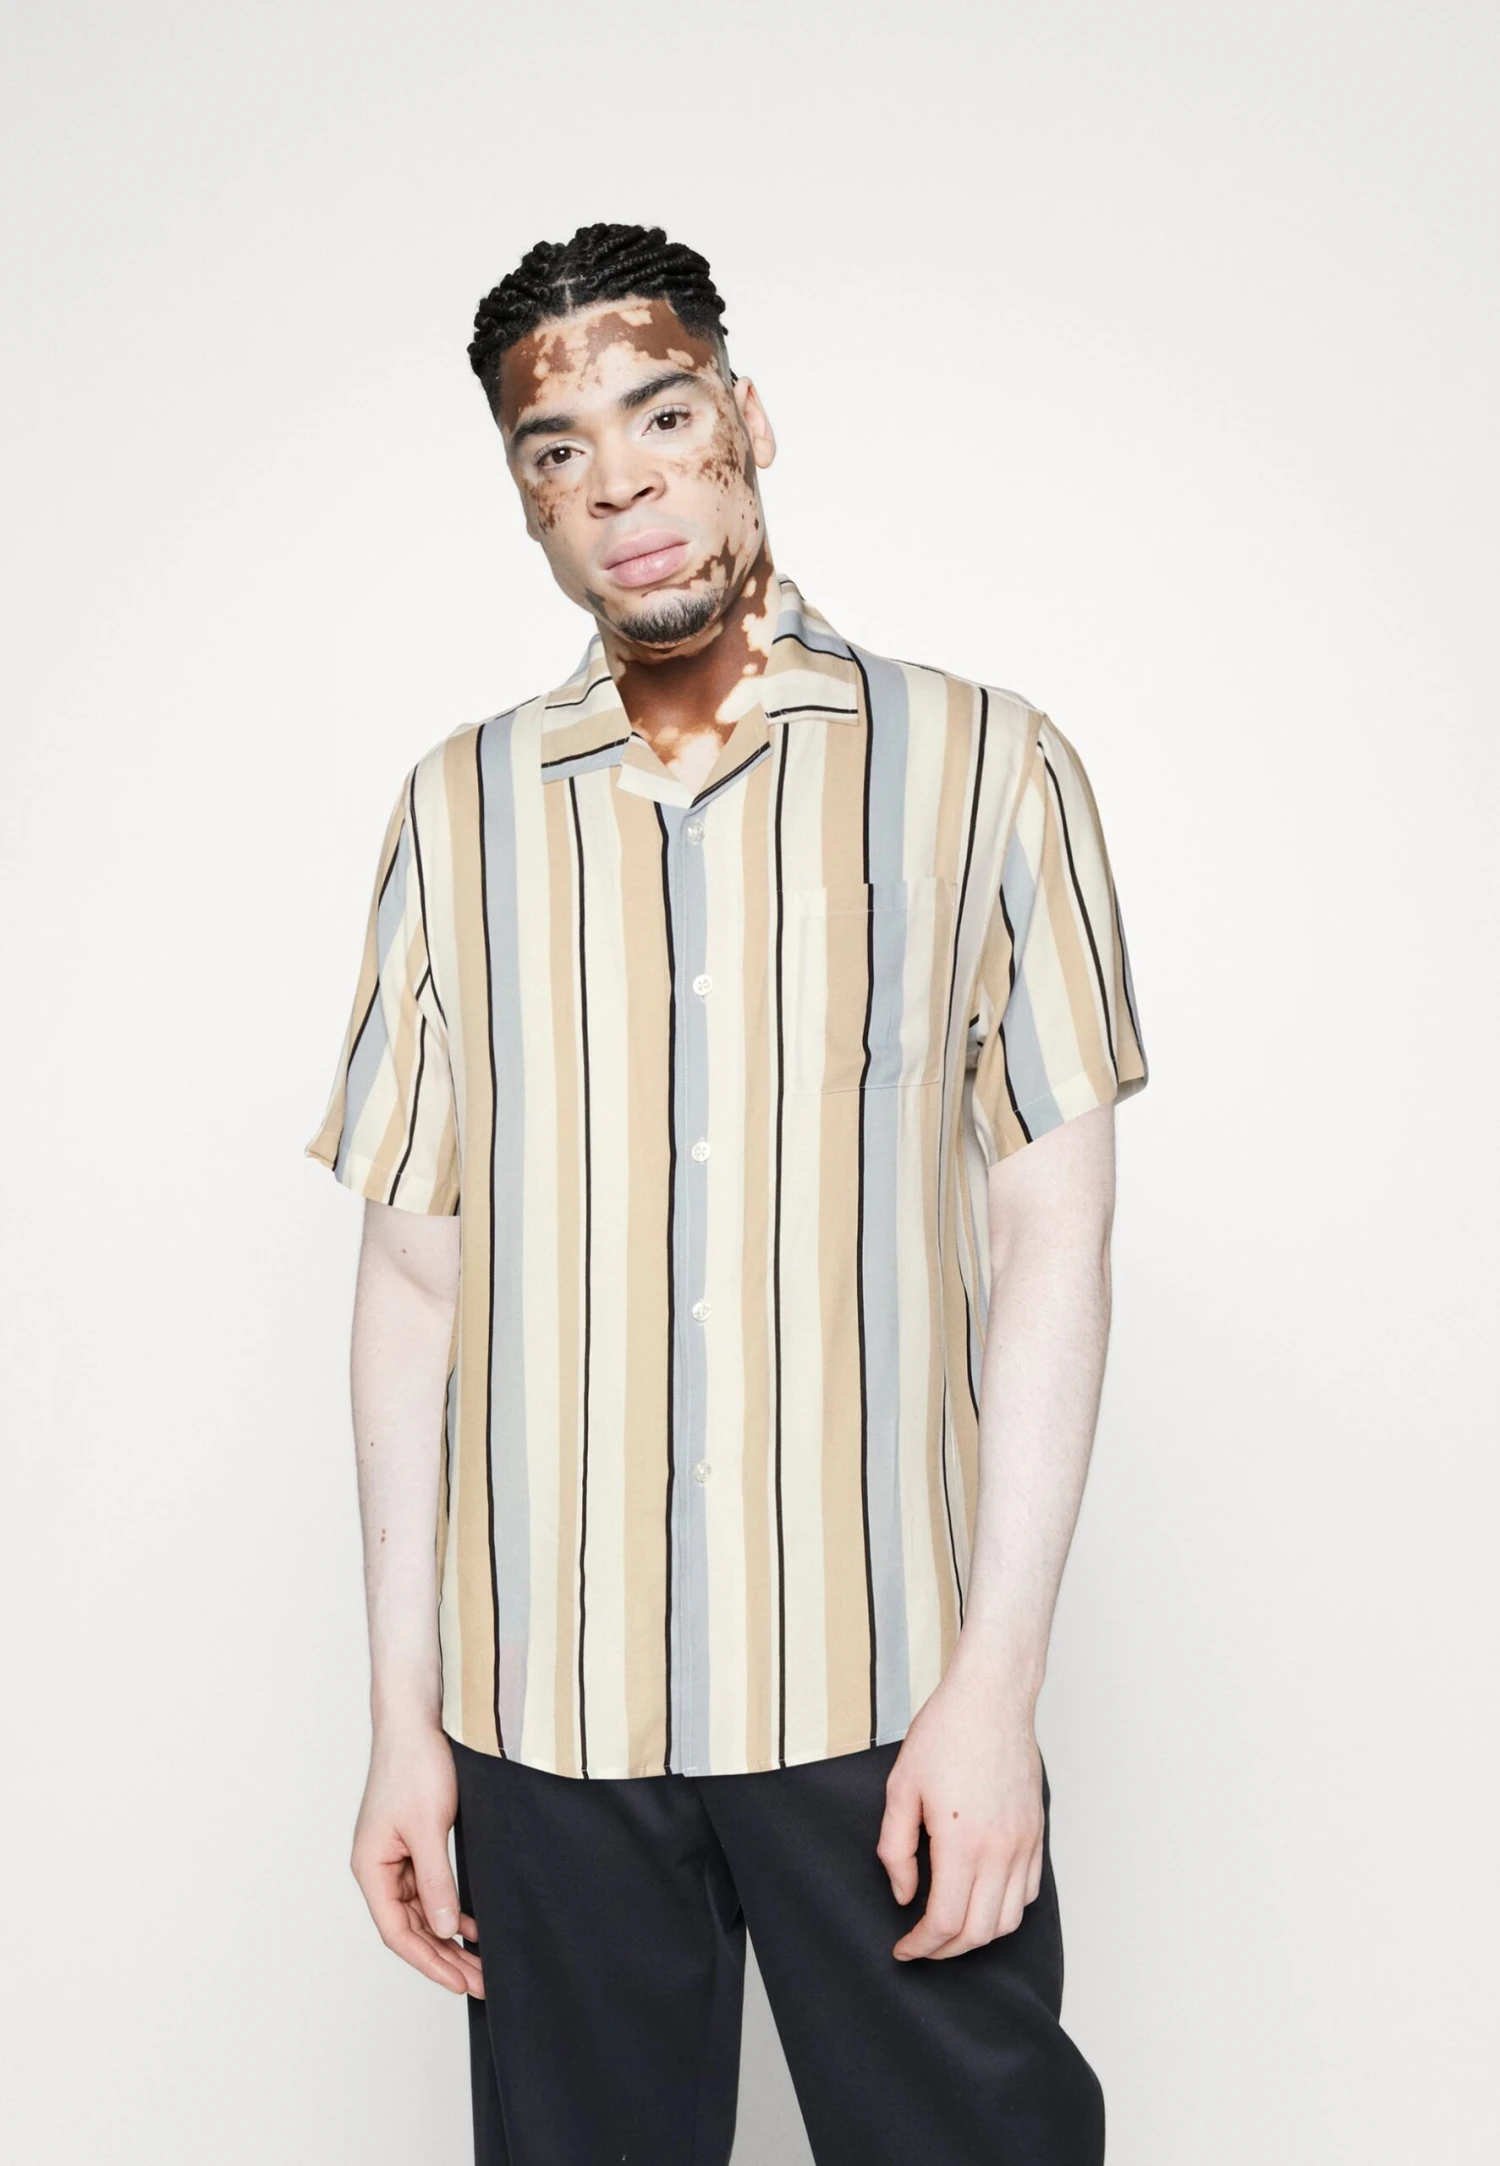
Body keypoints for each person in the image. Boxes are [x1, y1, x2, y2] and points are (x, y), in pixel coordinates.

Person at [305, 220, 1149, 2166]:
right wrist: (403, 1720)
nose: (621, 484)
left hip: (884, 1691)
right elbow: (414, 1282)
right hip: (545, 1725)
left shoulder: (985, 768)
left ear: (747, 417)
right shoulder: (457, 810)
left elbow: (1053, 1241)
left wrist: (998, 1693)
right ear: (527, 499)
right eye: (559, 450)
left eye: (660, 414)